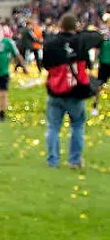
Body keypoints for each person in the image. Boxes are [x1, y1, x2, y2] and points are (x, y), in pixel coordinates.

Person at [43, 14, 92, 169]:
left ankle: (53, 160)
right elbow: (87, 64)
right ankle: (75, 160)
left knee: (53, 127)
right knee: (77, 126)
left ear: (61, 26)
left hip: (56, 89)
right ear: (75, 27)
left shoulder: (51, 42)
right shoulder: (81, 42)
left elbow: (46, 64)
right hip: (76, 90)